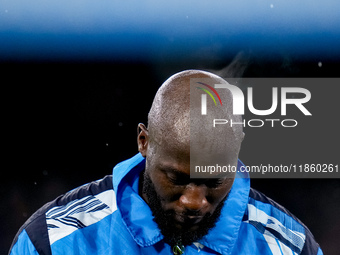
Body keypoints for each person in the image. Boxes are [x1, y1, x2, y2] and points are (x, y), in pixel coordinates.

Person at [9, 70, 322, 255]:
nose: (194, 201)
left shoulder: (291, 247)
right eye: (177, 178)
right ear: (144, 142)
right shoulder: (51, 242)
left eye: (213, 181)